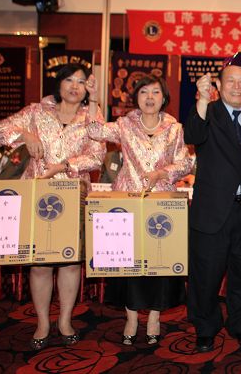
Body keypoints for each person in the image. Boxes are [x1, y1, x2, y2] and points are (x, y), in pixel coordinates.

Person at [0, 63, 106, 351]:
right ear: (59, 83)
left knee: (69, 262)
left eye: (81, 81)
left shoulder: (92, 115)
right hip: (39, 196)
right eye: (69, 80)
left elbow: (97, 156)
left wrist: (65, 166)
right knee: (40, 264)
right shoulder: (36, 112)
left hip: (74, 195)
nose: (75, 86)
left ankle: (65, 320)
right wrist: (25, 136)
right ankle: (42, 322)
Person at [86, 73, 193, 346]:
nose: (149, 98)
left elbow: (185, 163)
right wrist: (94, 99)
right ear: (136, 98)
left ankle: (154, 317)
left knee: (159, 264)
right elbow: (94, 131)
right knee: (128, 265)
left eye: (155, 92)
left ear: (164, 98)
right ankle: (131, 318)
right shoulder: (124, 124)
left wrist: (161, 173)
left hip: (161, 205)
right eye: (144, 92)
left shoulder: (174, 128)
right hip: (127, 203)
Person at [184, 52, 241, 353]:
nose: (236, 87)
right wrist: (201, 99)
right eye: (230, 81)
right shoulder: (208, 112)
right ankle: (206, 328)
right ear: (219, 86)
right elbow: (193, 134)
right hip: (211, 211)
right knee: (206, 275)